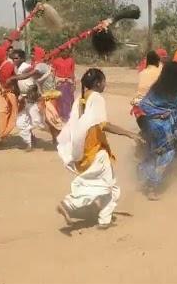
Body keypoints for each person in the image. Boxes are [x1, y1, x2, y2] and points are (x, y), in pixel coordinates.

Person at [56, 68, 143, 229]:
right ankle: (70, 203)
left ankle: (104, 219)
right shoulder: (96, 98)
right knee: (100, 185)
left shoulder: (81, 98)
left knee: (111, 186)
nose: (105, 84)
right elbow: (104, 125)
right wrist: (130, 134)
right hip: (95, 149)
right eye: (104, 81)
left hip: (83, 148)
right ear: (97, 83)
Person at [137, 62, 177, 200]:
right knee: (166, 156)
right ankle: (152, 188)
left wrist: (157, 114)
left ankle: (145, 179)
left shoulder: (156, 88)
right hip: (167, 128)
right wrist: (167, 113)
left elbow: (143, 104)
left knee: (153, 153)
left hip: (152, 125)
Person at [7, 46, 63, 144]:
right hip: (44, 96)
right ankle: (57, 139)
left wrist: (13, 78)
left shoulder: (40, 66)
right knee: (48, 120)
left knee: (51, 119)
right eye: (31, 54)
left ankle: (63, 135)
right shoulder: (36, 65)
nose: (32, 56)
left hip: (51, 96)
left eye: (34, 54)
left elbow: (28, 75)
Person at [11, 49, 45, 151]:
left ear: (22, 58)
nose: (14, 60)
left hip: (33, 98)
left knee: (38, 122)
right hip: (24, 98)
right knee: (20, 123)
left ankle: (59, 135)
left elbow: (35, 76)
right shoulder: (17, 68)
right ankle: (29, 143)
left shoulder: (26, 67)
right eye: (13, 58)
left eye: (16, 58)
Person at [52, 48, 76, 125]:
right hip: (59, 82)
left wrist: (73, 84)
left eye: (67, 51)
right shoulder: (56, 61)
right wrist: (55, 82)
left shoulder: (71, 60)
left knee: (69, 100)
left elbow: (72, 72)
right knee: (60, 100)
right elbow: (53, 73)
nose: (65, 53)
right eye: (63, 51)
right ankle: (62, 116)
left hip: (68, 82)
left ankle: (68, 116)